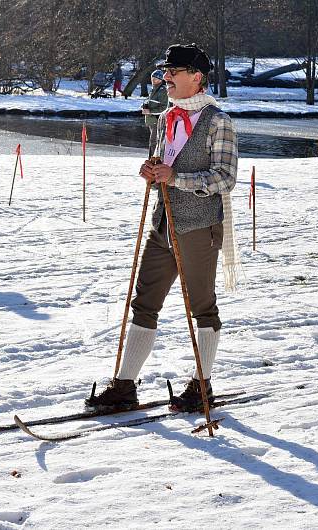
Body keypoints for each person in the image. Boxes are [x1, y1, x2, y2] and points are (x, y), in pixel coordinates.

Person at [86, 43, 239, 413]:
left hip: (199, 227)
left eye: (174, 71)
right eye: (166, 71)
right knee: (144, 302)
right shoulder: (166, 118)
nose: (166, 77)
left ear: (197, 77)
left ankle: (202, 386)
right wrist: (152, 172)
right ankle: (125, 386)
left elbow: (226, 178)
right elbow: (162, 167)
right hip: (162, 224)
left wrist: (175, 178)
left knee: (202, 307)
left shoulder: (218, 121)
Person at [141, 69, 169, 157]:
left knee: (154, 141)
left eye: (156, 78)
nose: (153, 79)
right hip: (151, 120)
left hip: (157, 120)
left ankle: (153, 161)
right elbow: (152, 102)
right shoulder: (153, 89)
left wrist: (150, 111)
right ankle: (152, 160)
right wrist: (145, 106)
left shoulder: (162, 91)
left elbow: (165, 108)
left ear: (161, 80)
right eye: (152, 77)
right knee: (154, 141)